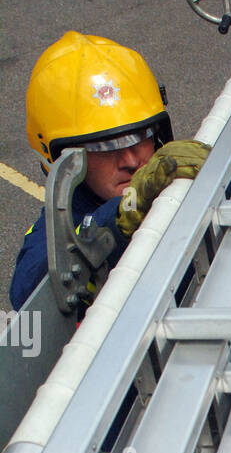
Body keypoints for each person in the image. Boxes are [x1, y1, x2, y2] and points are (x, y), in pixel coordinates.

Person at [12, 32, 209, 311]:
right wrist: (120, 215)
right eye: (104, 146)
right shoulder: (59, 226)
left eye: (141, 135)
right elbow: (27, 293)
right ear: (60, 159)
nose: (130, 159)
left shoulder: (174, 173)